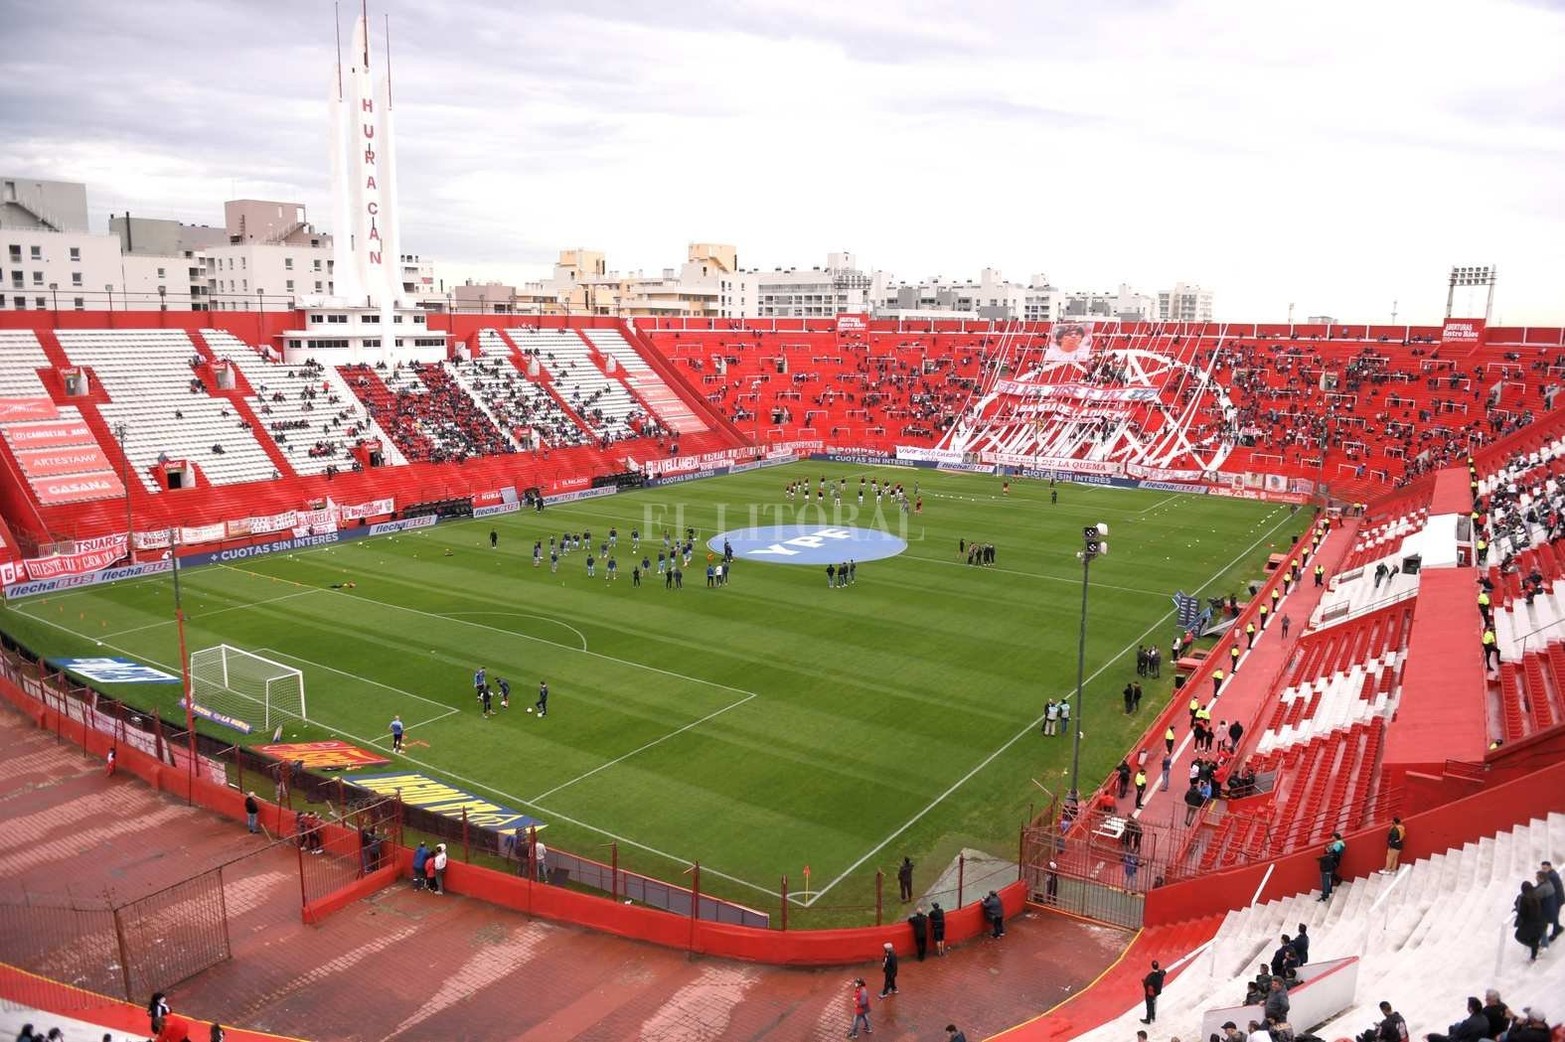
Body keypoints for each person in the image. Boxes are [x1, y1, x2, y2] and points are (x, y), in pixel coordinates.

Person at [1513, 880, 1544, 960]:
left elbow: (1522, 912)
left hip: (1531, 925)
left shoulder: (1524, 899)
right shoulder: (1537, 895)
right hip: (1541, 922)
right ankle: (1533, 957)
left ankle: (1536, 947)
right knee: (1535, 938)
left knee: (1518, 936)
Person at [1140, 959, 1166, 1024]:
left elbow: (1147, 984)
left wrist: (1144, 982)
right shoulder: (1161, 973)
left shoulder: (1150, 977)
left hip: (1150, 994)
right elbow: (1164, 972)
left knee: (1149, 1006)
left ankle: (1148, 1019)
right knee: (1154, 1005)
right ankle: (1153, 1016)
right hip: (1157, 992)